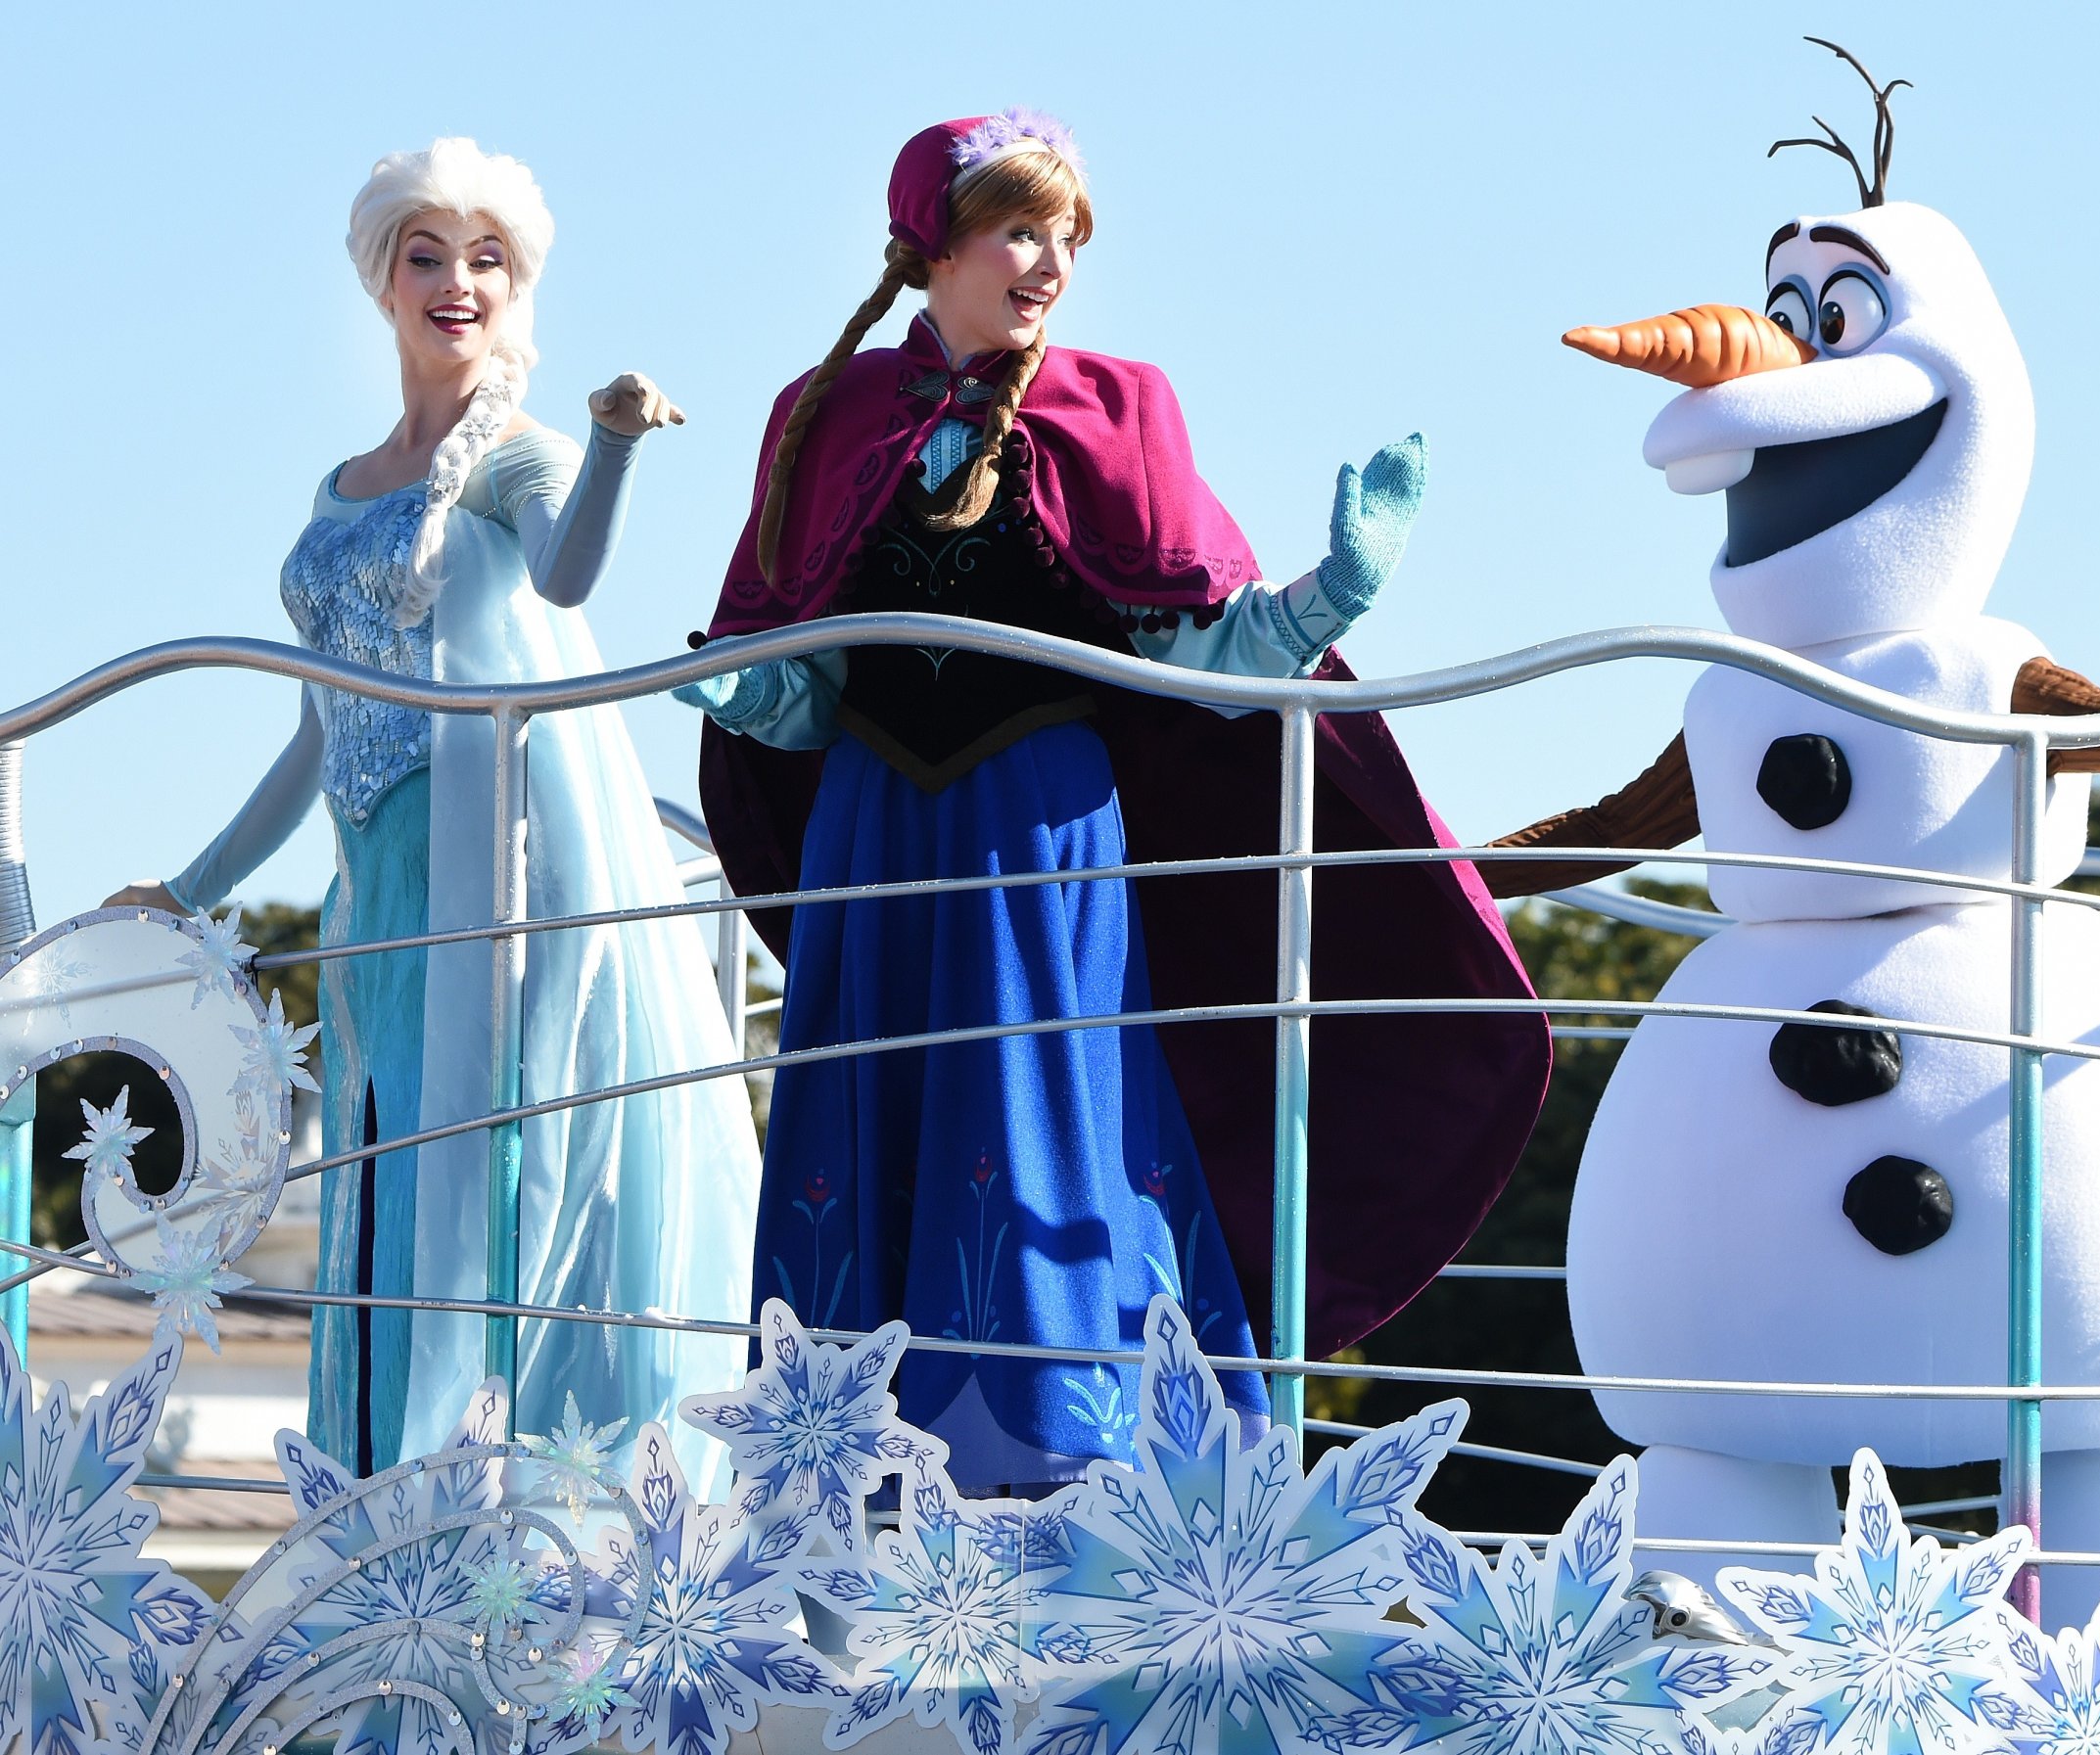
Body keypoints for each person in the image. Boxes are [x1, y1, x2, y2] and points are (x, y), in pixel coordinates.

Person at [682, 111, 1551, 1492]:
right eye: (1021, 228)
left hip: (1040, 838)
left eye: (1067, 234)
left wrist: (1331, 594)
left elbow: (1200, 658)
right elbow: (804, 683)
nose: (1049, 261)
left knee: (1038, 1127)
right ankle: (851, 1486)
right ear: (933, 244)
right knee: (877, 1132)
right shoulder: (826, 416)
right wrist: (741, 694)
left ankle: (1069, 1472)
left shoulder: (1116, 404)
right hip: (875, 834)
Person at [112, 138, 758, 1482]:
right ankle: (380, 1519)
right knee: (388, 1170)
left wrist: (620, 450)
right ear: (385, 282)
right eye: (427, 254)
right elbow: (318, 729)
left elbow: (570, 578)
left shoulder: (520, 451)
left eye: (486, 259)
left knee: (502, 1165)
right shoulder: (340, 487)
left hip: (508, 863)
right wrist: (190, 887)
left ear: (512, 288)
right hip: (382, 885)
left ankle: (496, 1519)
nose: (456, 280)